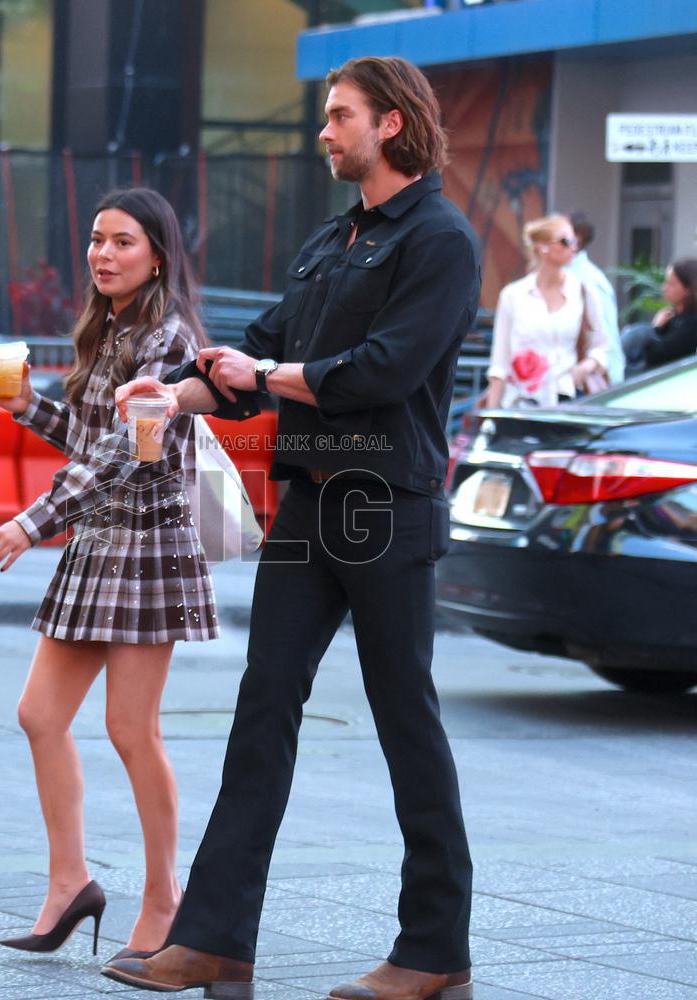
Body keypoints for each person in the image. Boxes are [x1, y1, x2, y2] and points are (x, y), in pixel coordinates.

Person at [105, 55, 479, 1000]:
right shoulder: (334, 239)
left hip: (386, 505)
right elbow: (261, 347)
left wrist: (260, 376)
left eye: (337, 115)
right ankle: (216, 940)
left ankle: (434, 954)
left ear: (389, 124)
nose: (323, 130)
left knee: (406, 724)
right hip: (313, 503)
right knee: (261, 709)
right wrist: (177, 393)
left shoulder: (439, 240)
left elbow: (378, 372)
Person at [0, 187, 218, 960]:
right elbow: (89, 439)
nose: (102, 254)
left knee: (130, 730)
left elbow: (126, 455)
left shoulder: (168, 338)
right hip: (96, 544)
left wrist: (29, 522)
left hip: (145, 548)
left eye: (121, 242)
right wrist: (26, 407)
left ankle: (164, 898)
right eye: (95, 240)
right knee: (39, 715)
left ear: (157, 255)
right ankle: (69, 884)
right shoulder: (108, 327)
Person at [485, 213, 609, 408]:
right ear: (541, 247)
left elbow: (601, 347)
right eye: (565, 241)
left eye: (574, 240)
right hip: (522, 402)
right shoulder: (513, 295)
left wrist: (584, 368)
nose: (573, 246)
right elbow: (499, 364)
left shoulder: (584, 292)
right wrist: (490, 418)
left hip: (568, 398)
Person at [568, 211, 625, 385]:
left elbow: (606, 337)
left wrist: (611, 381)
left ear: (576, 239)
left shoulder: (590, 281)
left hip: (590, 384)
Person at [642, 258, 697, 369]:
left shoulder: (691, 324)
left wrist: (655, 328)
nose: (664, 288)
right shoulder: (672, 317)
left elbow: (655, 356)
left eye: (671, 284)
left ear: (688, 289)